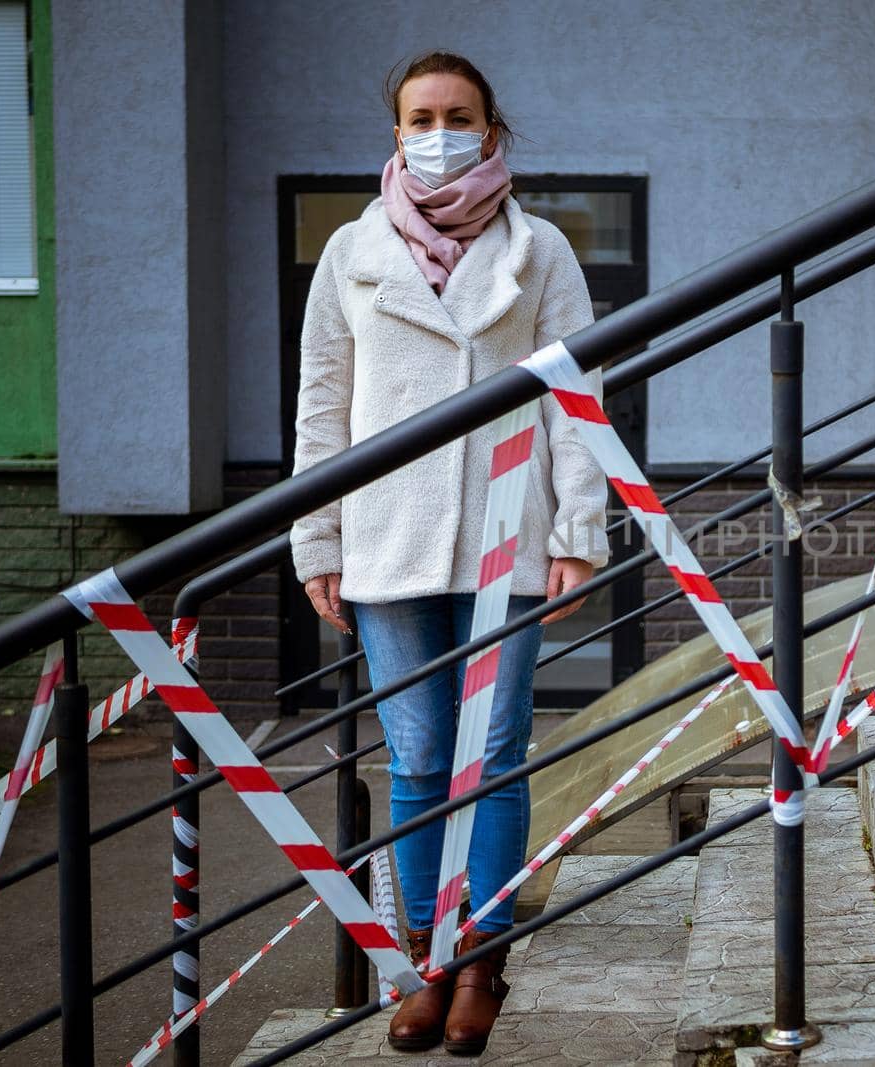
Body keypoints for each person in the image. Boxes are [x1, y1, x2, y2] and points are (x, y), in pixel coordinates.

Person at [289, 50, 608, 1056]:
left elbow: (575, 399)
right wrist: (316, 533)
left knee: (495, 758)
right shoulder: (350, 250)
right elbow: (321, 404)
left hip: (505, 539)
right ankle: (423, 961)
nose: (439, 130)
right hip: (386, 543)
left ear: (490, 129)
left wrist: (578, 532)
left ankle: (482, 961)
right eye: (421, 116)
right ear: (395, 134)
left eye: (457, 114)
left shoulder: (541, 248)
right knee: (421, 760)